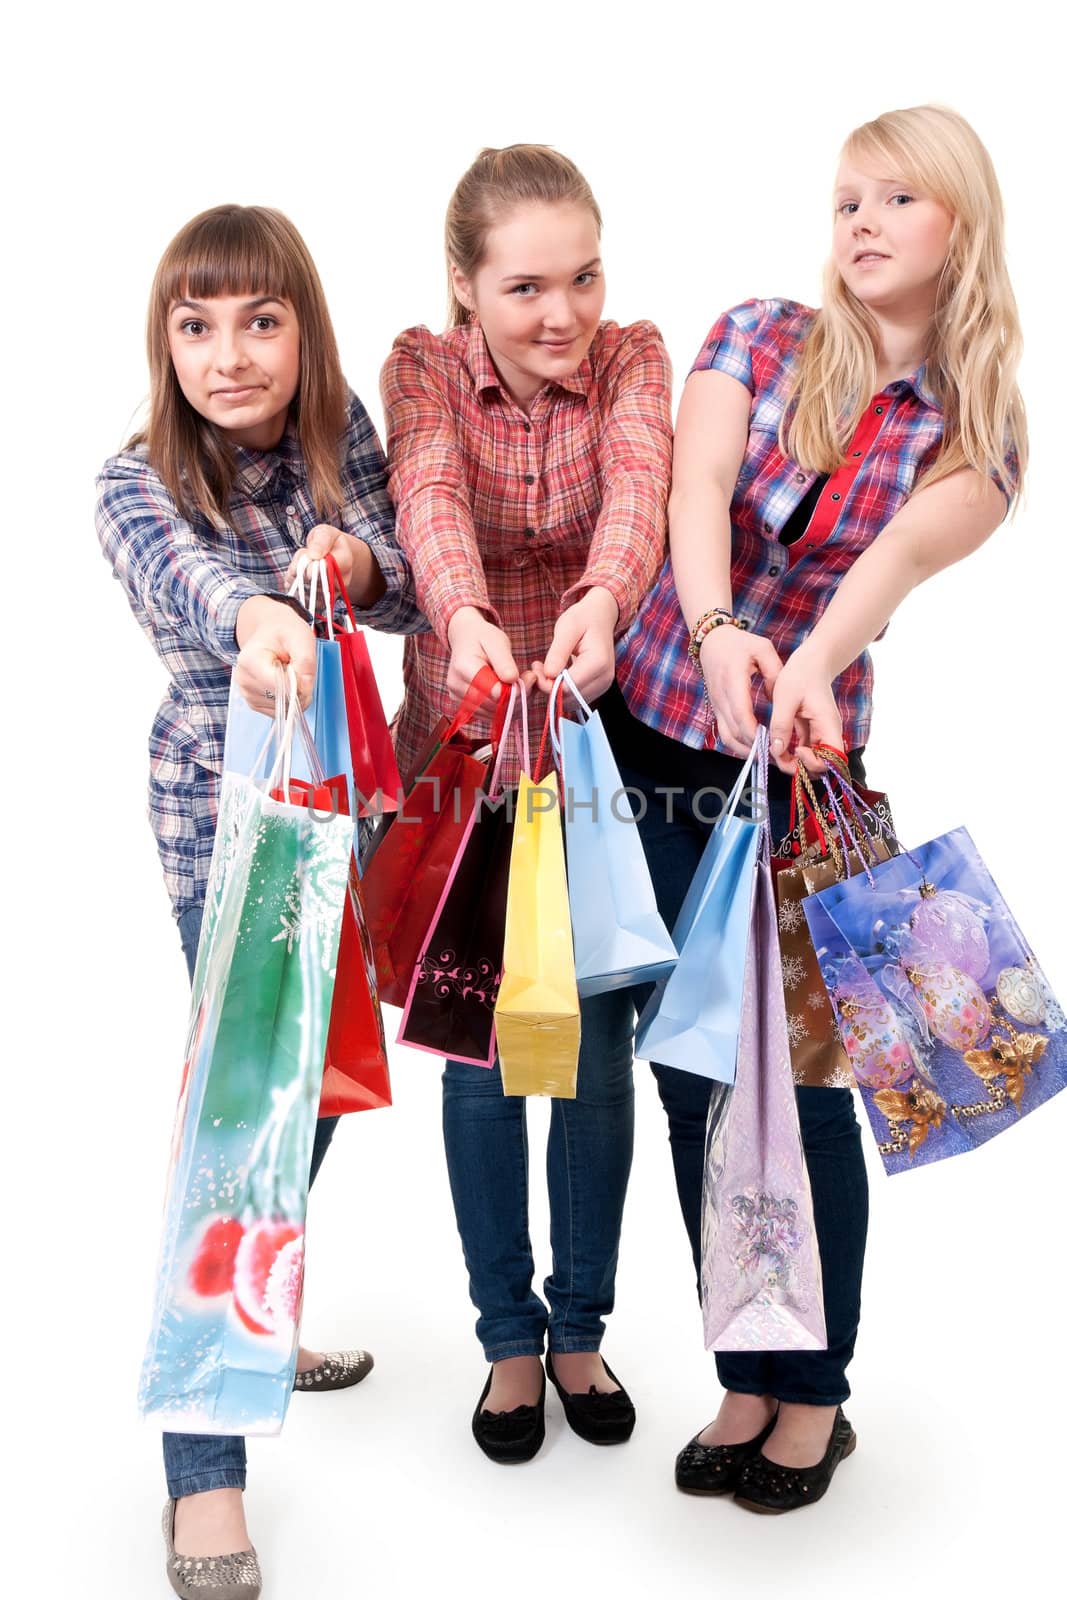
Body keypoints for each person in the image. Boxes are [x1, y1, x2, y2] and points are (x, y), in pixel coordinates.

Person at [601, 103, 1026, 1512]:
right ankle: (742, 1363)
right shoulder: (759, 334)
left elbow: (889, 567)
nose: (860, 222)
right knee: (688, 1075)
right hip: (652, 731)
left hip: (792, 773)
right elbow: (698, 485)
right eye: (847, 197)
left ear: (959, 225)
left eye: (896, 199)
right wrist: (722, 630)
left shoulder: (978, 439)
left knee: (799, 1086)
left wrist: (804, 673)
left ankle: (815, 1393)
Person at [96, 204, 423, 1598]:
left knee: (313, 1094)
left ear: (303, 328)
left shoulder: (340, 438)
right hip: (224, 826)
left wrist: (354, 563)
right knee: (243, 1123)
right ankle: (204, 1479)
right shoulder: (130, 480)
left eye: (260, 321)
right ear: (166, 343)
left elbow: (406, 576)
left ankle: (260, 1302)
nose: (227, 356)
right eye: (196, 324)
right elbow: (197, 584)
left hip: (346, 816)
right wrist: (265, 617)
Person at [352, 144, 671, 1461]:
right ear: (464, 288)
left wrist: (603, 602)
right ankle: (503, 1344)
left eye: (583, 276)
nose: (563, 313)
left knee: (593, 1061)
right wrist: (470, 620)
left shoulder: (636, 357)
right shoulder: (423, 367)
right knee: (482, 1062)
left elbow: (641, 490)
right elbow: (426, 494)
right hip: (461, 755)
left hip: (592, 761)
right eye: (528, 285)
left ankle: (580, 1326)